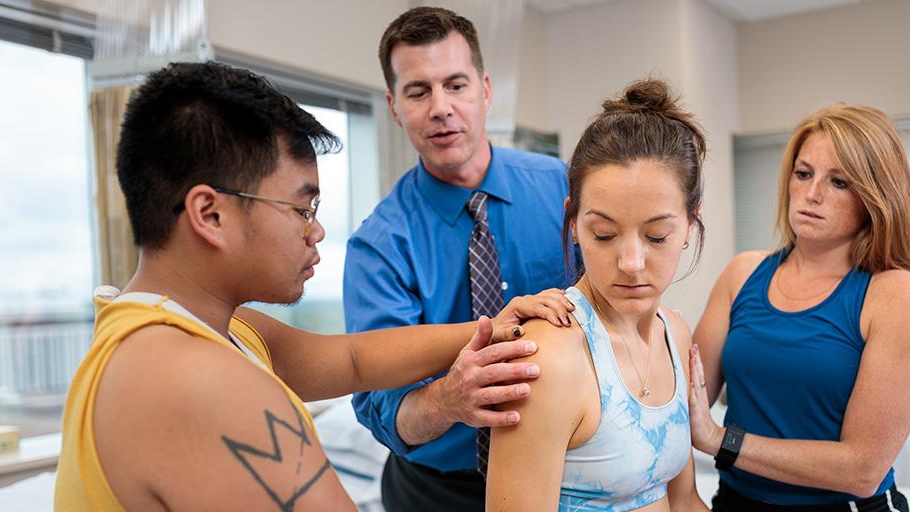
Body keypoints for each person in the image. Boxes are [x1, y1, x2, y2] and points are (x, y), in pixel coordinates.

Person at [53, 61, 572, 511]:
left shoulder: (191, 326)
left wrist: (496, 325)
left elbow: (353, 360)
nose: (317, 230)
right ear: (210, 214)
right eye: (303, 207)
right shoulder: (200, 382)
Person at [344, 7, 573, 511]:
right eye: (418, 91)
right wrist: (449, 399)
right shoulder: (378, 246)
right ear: (393, 107)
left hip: (565, 473)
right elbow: (382, 408)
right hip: (438, 491)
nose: (440, 108)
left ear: (485, 91)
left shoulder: (563, 189)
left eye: (455, 85)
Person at [689, 104, 910, 511]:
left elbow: (862, 469)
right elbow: (684, 400)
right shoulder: (742, 273)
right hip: (736, 501)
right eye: (804, 174)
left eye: (839, 182)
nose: (812, 193)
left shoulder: (899, 297)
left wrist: (721, 440)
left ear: (874, 196)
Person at [486, 79, 710, 511]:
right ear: (573, 222)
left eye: (657, 236)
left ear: (690, 224)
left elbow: (684, 501)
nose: (631, 262)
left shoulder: (675, 334)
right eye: (604, 234)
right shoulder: (548, 357)